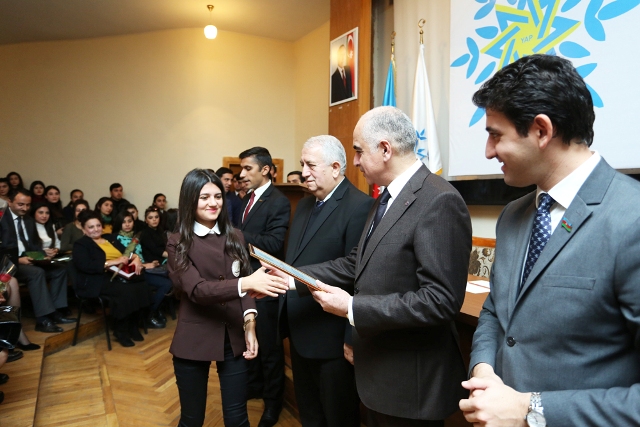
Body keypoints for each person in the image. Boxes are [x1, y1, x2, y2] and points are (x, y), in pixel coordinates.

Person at [458, 54, 640, 427]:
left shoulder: (631, 218)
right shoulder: (513, 216)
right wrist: (484, 370)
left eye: (496, 135)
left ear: (541, 130)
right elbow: (495, 310)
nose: (488, 151)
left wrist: (530, 410)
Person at [268, 106, 472, 426]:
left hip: (410, 383)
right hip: (379, 372)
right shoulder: (385, 199)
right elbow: (356, 264)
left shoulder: (438, 199)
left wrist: (352, 307)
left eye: (359, 151)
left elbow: (440, 301)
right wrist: (293, 277)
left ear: (385, 149)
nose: (356, 161)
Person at [166, 168, 289, 427]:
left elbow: (245, 289)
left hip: (233, 337)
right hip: (194, 338)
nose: (213, 203)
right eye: (204, 197)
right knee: (192, 420)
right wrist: (246, 282)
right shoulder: (178, 242)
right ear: (190, 200)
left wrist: (250, 324)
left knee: (237, 419)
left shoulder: (235, 236)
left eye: (218, 196)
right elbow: (198, 290)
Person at [279, 135, 374, 427]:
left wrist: (351, 338)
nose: (303, 172)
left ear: (335, 168)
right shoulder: (305, 205)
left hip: (332, 340)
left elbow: (359, 277)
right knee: (310, 415)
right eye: (302, 164)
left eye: (310, 165)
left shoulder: (360, 206)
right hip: (300, 331)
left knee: (338, 418)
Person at [238, 146, 291, 427]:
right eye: (241, 168)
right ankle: (254, 387)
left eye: (248, 168)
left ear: (266, 169)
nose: (242, 174)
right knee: (250, 342)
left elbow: (273, 244)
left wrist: (236, 235)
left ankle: (272, 404)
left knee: (270, 349)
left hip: (266, 284)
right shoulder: (246, 199)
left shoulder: (278, 201)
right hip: (245, 283)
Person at [0, 189, 76, 333]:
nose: (25, 208)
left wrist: (42, 256)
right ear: (9, 202)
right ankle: (43, 319)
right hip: (8, 264)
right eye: (21, 204)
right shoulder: (2, 219)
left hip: (29, 258)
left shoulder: (28, 220)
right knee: (36, 273)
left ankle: (56, 311)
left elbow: (34, 246)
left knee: (59, 270)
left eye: (28, 205)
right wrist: (19, 260)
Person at [72, 210, 151, 347]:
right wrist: (111, 262)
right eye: (91, 227)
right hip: (97, 279)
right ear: (84, 230)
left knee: (142, 285)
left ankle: (133, 325)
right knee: (126, 291)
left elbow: (127, 253)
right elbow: (85, 266)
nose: (96, 229)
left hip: (118, 274)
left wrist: (136, 258)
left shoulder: (110, 238)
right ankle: (121, 330)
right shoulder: (81, 244)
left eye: (98, 225)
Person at [113, 209, 171, 329]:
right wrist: (145, 265)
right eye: (124, 222)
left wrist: (149, 263)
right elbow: (124, 260)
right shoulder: (115, 239)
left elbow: (142, 256)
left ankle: (155, 310)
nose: (127, 224)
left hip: (143, 269)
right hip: (131, 273)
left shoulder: (136, 236)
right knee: (166, 283)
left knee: (170, 277)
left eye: (130, 221)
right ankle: (150, 313)